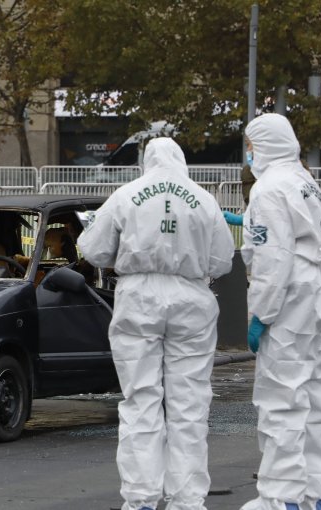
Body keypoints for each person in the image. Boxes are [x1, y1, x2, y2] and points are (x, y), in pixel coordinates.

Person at [77, 137, 235, 510]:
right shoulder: (203, 198)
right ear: (181, 159)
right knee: (190, 405)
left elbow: (95, 249)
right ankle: (188, 500)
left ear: (146, 160)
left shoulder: (127, 194)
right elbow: (223, 260)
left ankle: (141, 499)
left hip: (139, 298)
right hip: (191, 298)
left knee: (141, 401)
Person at [239, 114, 321, 510]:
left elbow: (272, 259)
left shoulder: (268, 187)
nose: (248, 153)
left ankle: (281, 498)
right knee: (315, 399)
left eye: (250, 145)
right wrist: (248, 223)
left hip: (291, 294)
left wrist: (261, 314)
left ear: (261, 145)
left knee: (281, 398)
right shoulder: (304, 180)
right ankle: (317, 495)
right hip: (319, 288)